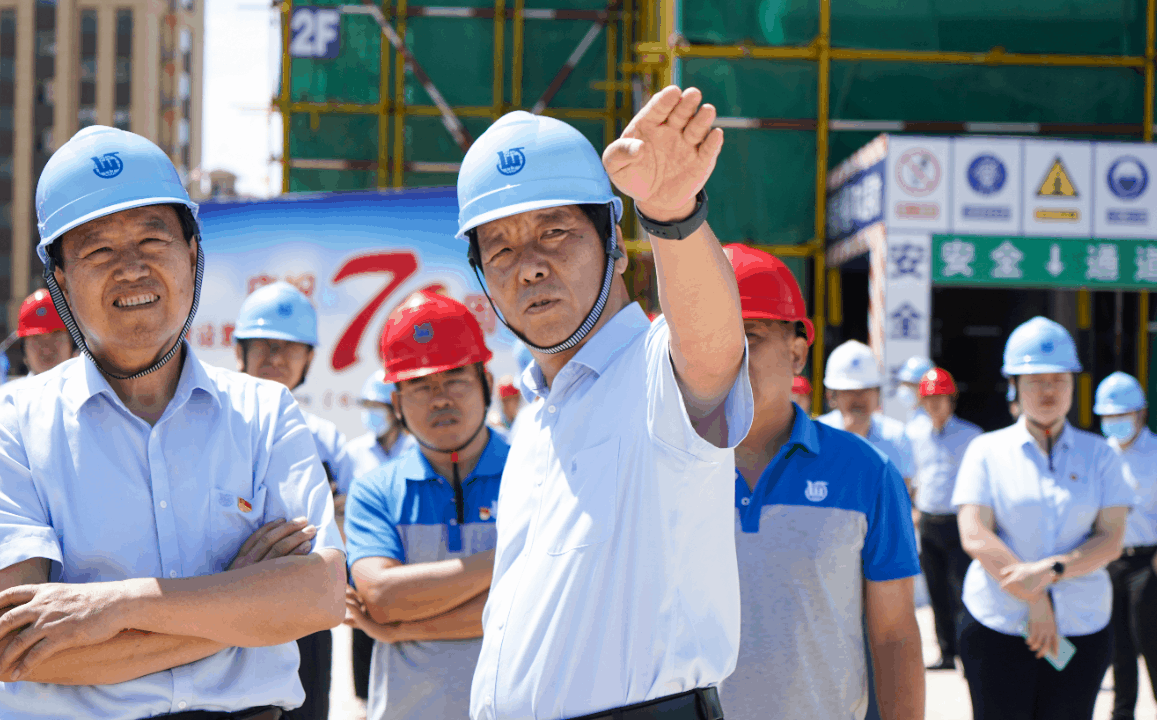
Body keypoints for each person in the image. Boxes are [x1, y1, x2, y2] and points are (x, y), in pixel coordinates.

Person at [0, 125, 346, 720]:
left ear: (191, 254)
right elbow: (13, 645)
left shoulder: (264, 413)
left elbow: (318, 596)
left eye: (152, 239)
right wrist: (240, 605)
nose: (132, 269)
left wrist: (116, 608)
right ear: (60, 280)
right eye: (98, 250)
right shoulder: (13, 426)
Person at [460, 87, 752, 720]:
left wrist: (672, 216)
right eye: (500, 248)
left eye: (555, 231)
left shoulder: (654, 374)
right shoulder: (534, 421)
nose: (529, 267)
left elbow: (710, 350)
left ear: (614, 242)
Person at [716, 244, 924, 720]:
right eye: (710, 338)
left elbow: (894, 635)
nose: (727, 357)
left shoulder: (867, 473)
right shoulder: (662, 469)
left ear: (796, 352)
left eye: (749, 336)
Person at [953, 316, 1132, 720]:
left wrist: (1050, 572)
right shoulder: (986, 451)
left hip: (1081, 624)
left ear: (1073, 385)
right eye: (1036, 380)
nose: (1049, 390)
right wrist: (1034, 597)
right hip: (998, 621)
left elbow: (1110, 539)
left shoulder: (1100, 455)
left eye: (1059, 380)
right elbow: (975, 533)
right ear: (1014, 385)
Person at [343, 291, 507, 720]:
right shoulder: (375, 491)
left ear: (486, 384)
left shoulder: (535, 473)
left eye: (454, 377)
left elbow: (543, 603)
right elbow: (381, 598)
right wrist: (509, 561)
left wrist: (404, 629)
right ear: (397, 403)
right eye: (420, 385)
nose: (440, 398)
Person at [233, 280, 354, 720]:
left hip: (307, 621)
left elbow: (349, 531)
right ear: (240, 350)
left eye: (290, 347)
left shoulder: (327, 440)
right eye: (264, 345)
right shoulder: (209, 432)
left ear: (309, 359)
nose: (276, 358)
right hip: (228, 611)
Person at [341, 370, 416, 711]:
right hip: (363, 559)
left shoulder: (417, 449)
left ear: (395, 410)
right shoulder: (353, 452)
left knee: (407, 633)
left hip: (409, 559)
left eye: (378, 407)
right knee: (362, 632)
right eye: (367, 405)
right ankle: (365, 705)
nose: (371, 413)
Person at [905, 367, 982, 671]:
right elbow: (910, 477)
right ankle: (946, 653)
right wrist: (912, 507)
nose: (934, 404)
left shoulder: (971, 436)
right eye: (928, 399)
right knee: (936, 591)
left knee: (963, 590)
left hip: (959, 522)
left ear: (952, 399)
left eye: (940, 398)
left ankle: (969, 652)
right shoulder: (913, 435)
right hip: (928, 521)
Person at [1094, 371, 1157, 720]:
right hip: (1110, 560)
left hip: (1148, 562)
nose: (1115, 421)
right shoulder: (1100, 454)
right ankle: (1122, 712)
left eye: (1122, 414)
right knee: (1118, 644)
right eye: (1109, 416)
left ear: (1140, 413)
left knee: (1151, 641)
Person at [818, 340, 915, 488]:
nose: (859, 398)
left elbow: (902, 493)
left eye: (865, 390)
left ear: (877, 393)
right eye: (849, 391)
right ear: (831, 396)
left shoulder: (897, 437)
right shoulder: (815, 436)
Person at [0, 289, 77, 408]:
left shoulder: (92, 397)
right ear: (23, 349)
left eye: (56, 335)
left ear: (72, 343)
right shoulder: (5, 401)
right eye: (36, 338)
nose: (47, 349)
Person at [890, 356, 934, 421]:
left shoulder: (928, 420)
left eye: (910, 384)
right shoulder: (913, 413)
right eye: (904, 383)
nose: (905, 388)